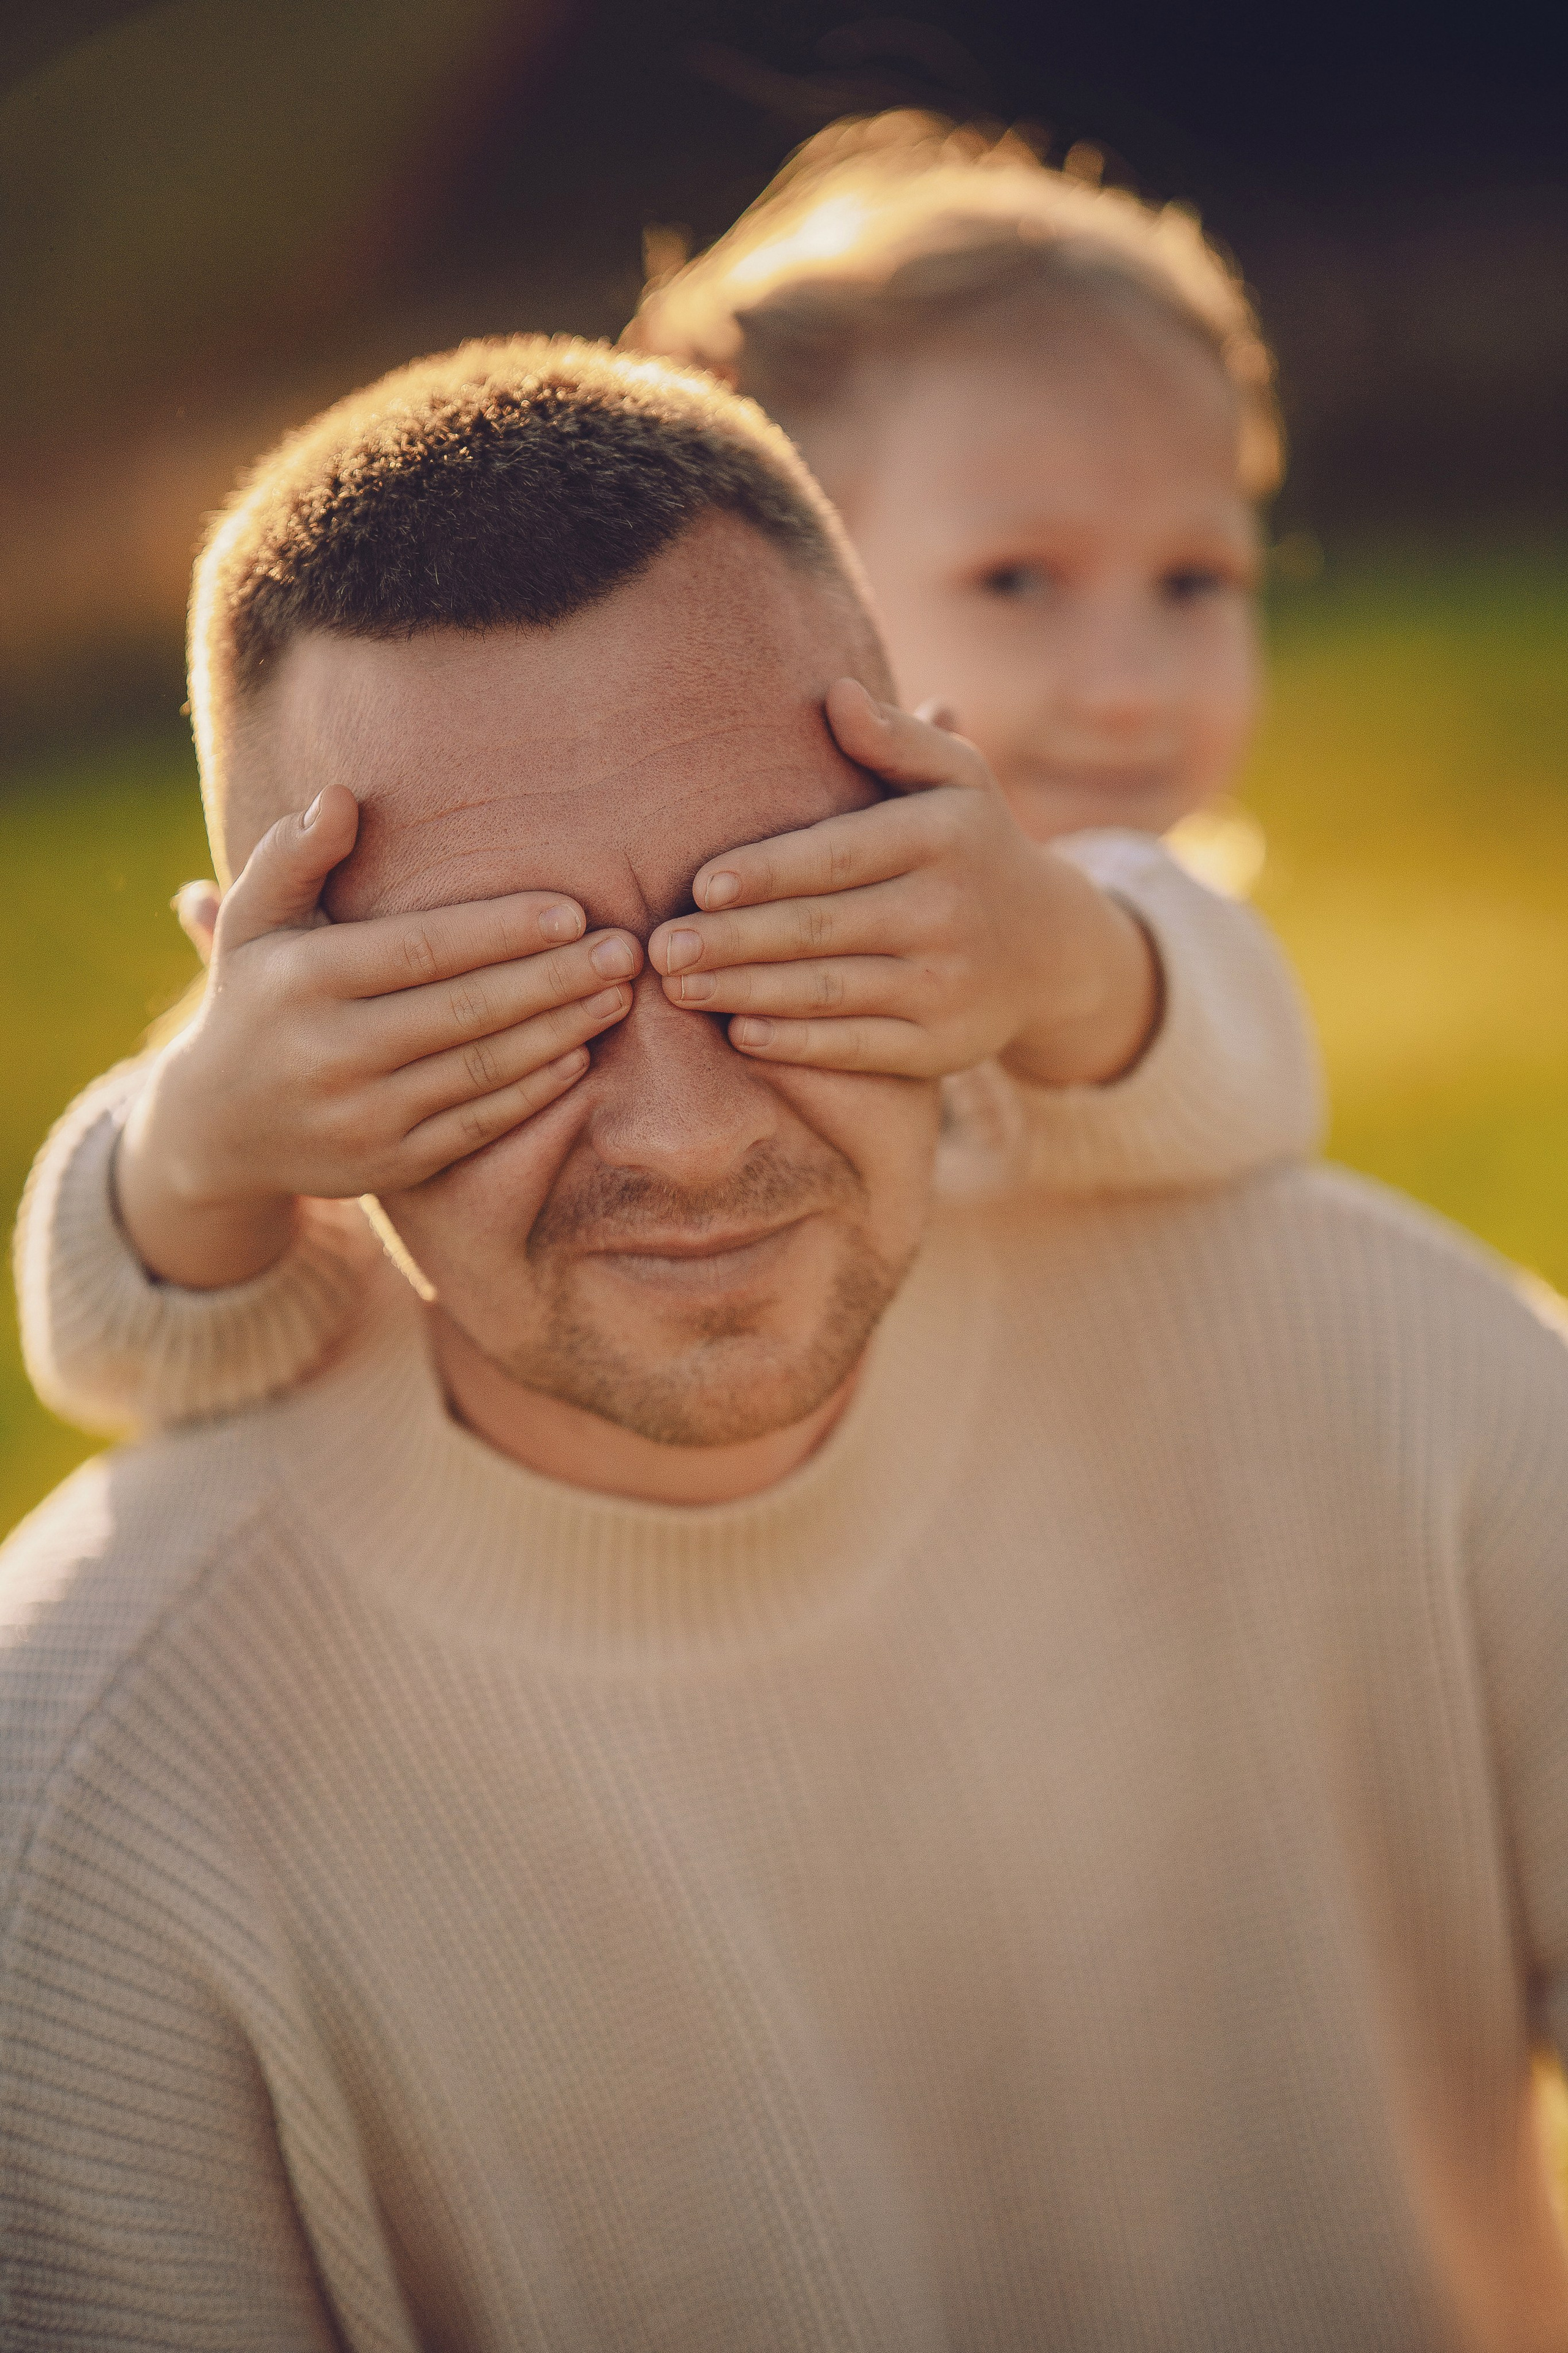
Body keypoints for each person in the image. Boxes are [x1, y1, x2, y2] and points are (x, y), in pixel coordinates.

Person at [4, 339, 1568, 2352]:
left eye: (782, 934)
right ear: (253, 1013)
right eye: (490, 1005)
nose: (689, 1133)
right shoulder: (94, 1811)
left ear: (950, 826)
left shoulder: (1383, 1368)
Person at [15, 113, 1318, 1437]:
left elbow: (1257, 1090)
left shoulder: (1135, 940)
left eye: (1193, 581)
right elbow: (133, 1366)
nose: (1124, 683)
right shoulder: (382, 979)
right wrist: (206, 1145)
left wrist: (1055, 956)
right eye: (1017, 580)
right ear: (775, 574)